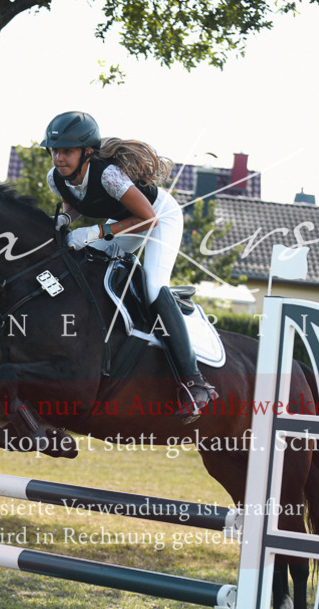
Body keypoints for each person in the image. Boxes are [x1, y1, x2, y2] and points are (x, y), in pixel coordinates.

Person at [41, 111, 218, 421]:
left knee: (153, 286)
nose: (59, 158)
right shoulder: (55, 178)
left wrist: (96, 232)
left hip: (158, 216)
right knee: (85, 266)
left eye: (67, 151)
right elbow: (77, 200)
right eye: (54, 151)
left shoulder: (108, 175)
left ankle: (195, 382)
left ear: (87, 152)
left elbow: (148, 218)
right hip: (127, 219)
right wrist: (67, 218)